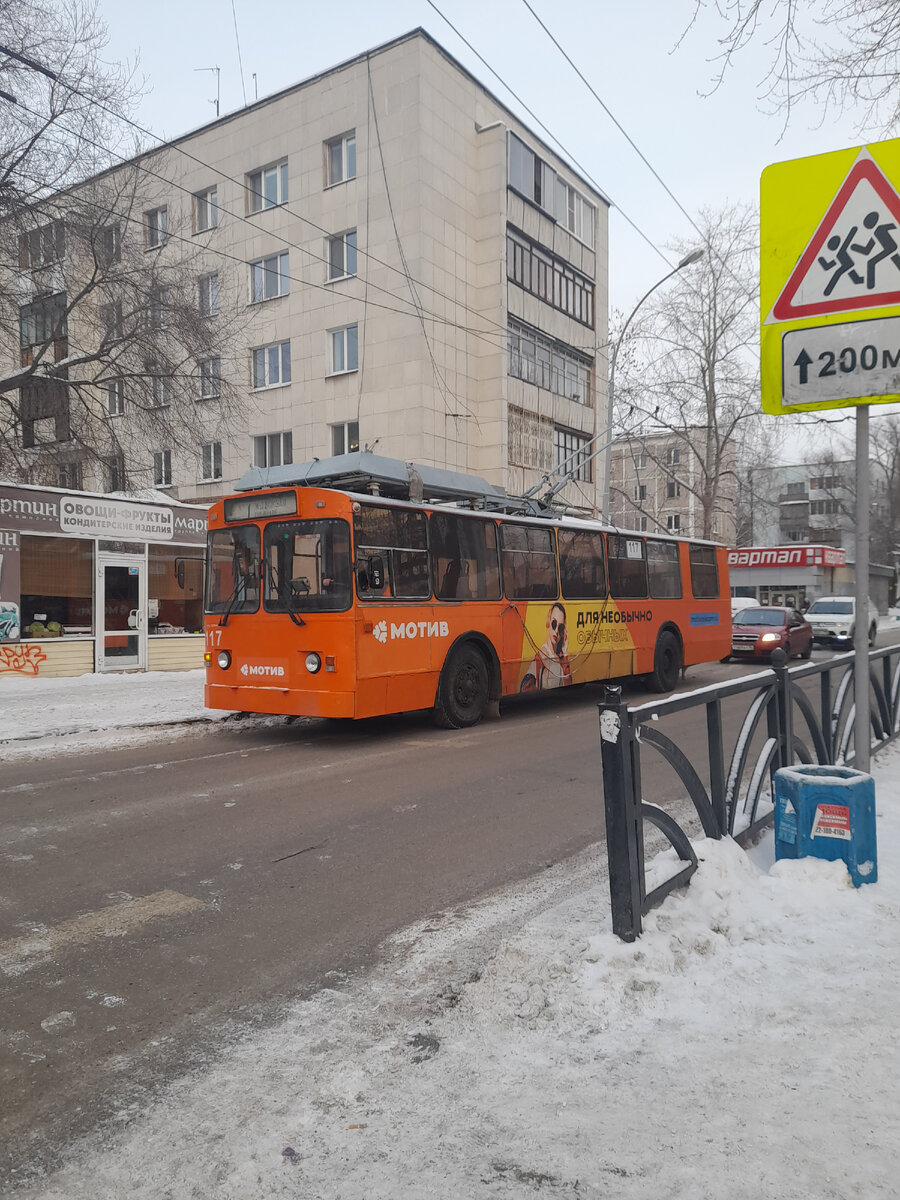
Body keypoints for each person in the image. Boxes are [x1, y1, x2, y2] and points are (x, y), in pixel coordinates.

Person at [520, 601, 573, 691]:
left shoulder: (561, 657)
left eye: (560, 628)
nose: (556, 631)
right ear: (548, 621)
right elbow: (525, 689)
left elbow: (568, 685)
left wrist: (565, 652)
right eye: (554, 623)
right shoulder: (541, 656)